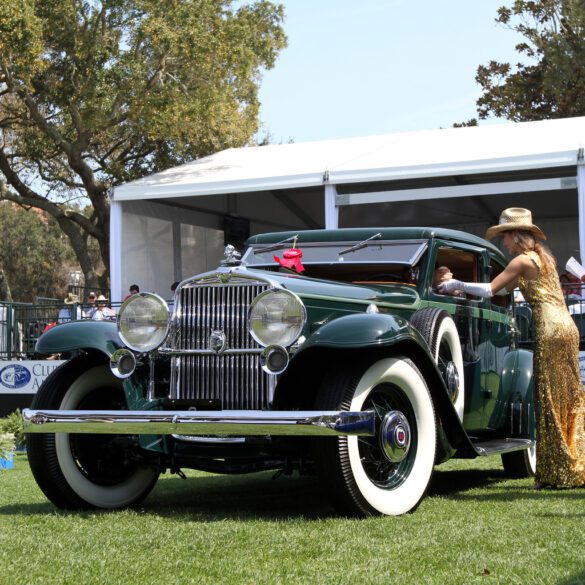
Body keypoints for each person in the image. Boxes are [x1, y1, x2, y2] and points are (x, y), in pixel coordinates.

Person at [440, 207, 585, 488]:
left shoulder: (521, 261)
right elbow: (505, 290)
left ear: (515, 236)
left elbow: (491, 290)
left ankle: (560, 471)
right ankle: (572, 463)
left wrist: (453, 284)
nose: (502, 243)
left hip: (550, 328)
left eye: (504, 237)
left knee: (549, 397)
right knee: (569, 395)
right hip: (567, 327)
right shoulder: (542, 259)